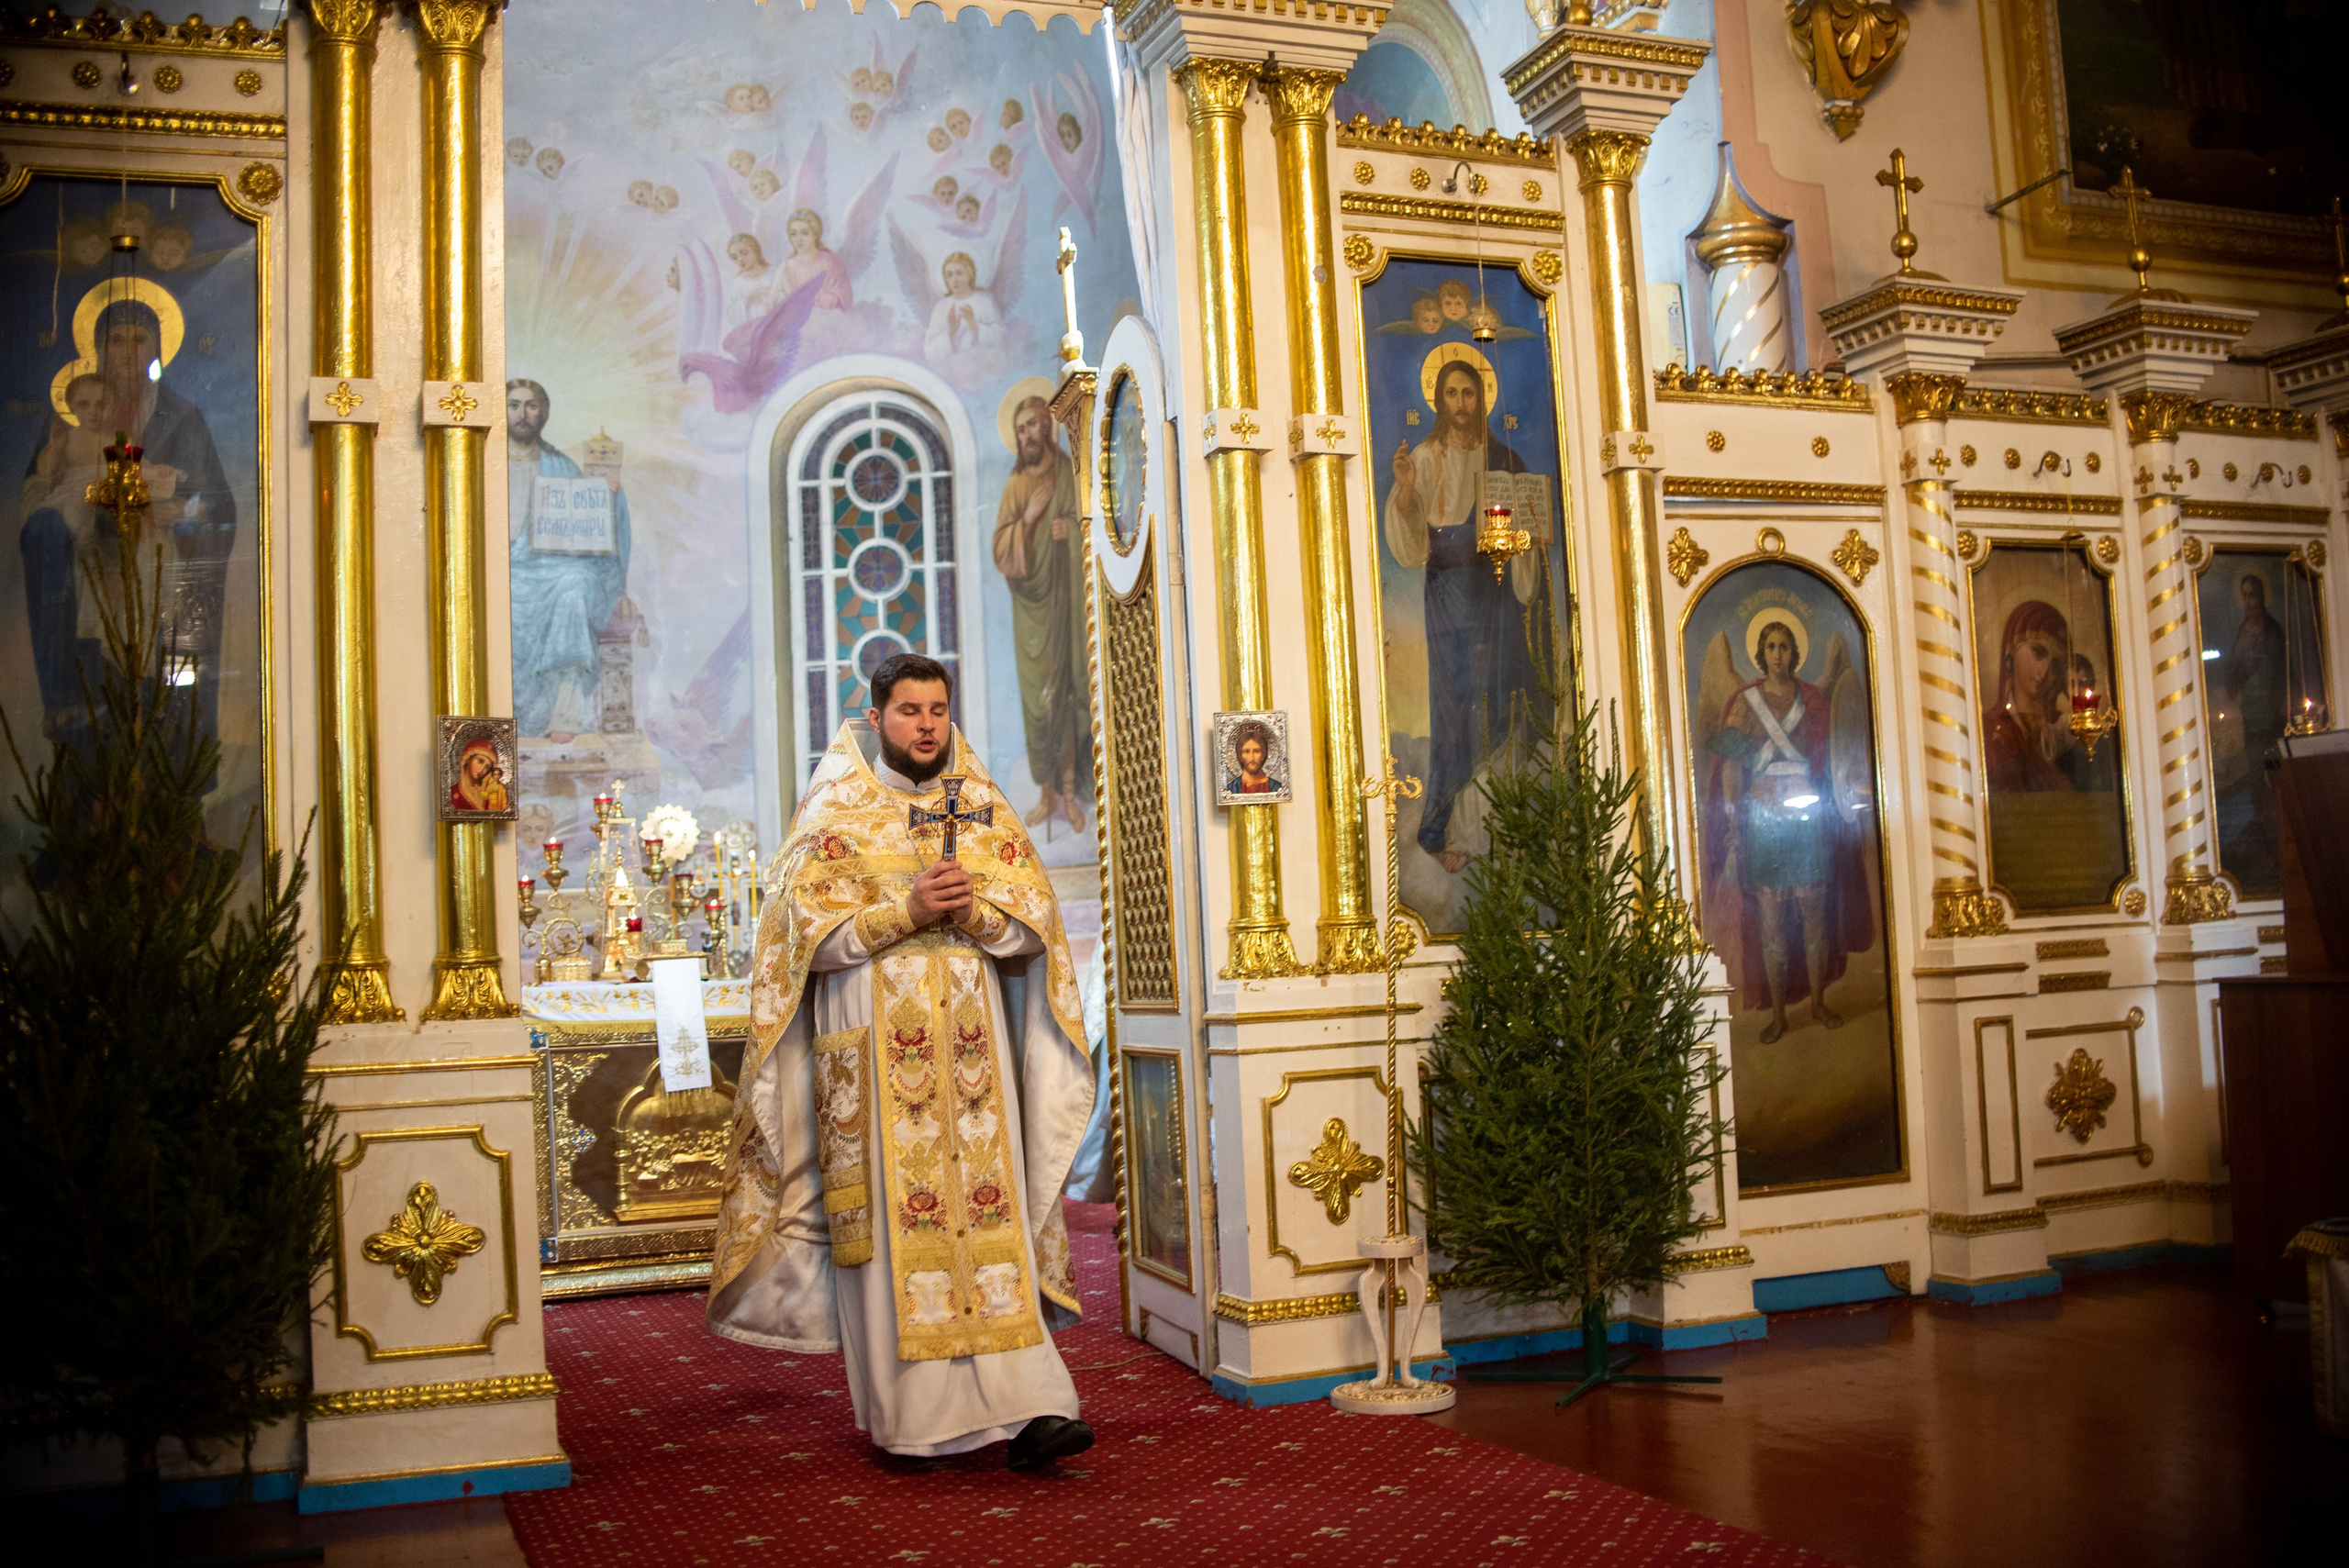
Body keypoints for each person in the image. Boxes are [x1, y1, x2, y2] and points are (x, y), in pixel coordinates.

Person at [708, 654, 1097, 1471]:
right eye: (910, 709)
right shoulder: (833, 810)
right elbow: (795, 949)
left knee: (987, 1219)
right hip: (874, 1056)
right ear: (877, 714)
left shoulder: (981, 804)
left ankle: (1035, 1405)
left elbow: (1035, 932)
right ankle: (917, 1420)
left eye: (938, 709)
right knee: (895, 1228)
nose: (926, 724)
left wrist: (980, 915)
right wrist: (905, 910)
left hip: (974, 1062)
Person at [20, 297, 235, 752]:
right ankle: (69, 702)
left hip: (158, 568)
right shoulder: (67, 421)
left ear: (159, 347)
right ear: (97, 347)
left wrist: (177, 510)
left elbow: (215, 504)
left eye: (140, 338)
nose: (127, 350)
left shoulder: (183, 419)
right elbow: (37, 492)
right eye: (115, 339)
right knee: (45, 531)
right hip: (86, 578)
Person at [1384, 357, 1547, 865]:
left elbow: (1525, 535)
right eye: (1452, 394)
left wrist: (1527, 540)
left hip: (1493, 594)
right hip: (1448, 596)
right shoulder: (1426, 457)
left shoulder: (1506, 461)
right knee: (1454, 702)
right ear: (1439, 400)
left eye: (1470, 394)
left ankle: (1501, 828)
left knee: (1496, 695)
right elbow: (1412, 546)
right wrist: (1407, 490)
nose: (1461, 404)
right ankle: (1443, 830)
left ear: (1482, 401)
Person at [1700, 618, 1871, 1045]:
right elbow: (1732, 766)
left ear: (1795, 652)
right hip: (1762, 820)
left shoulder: (1812, 700)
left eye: (1785, 646)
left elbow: (1836, 758)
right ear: (1762, 654)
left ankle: (1817, 1002)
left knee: (1814, 916)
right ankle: (1778, 1014)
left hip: (1806, 818)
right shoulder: (1745, 702)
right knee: (1773, 921)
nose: (1779, 654)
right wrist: (1734, 822)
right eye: (1771, 647)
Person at [507, 379, 632, 740]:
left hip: (555, 567)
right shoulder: (483, 464)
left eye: (531, 406)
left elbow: (590, 529)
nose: (523, 414)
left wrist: (610, 495)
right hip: (503, 569)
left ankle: (564, 712)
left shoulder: (561, 466)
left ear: (543, 413)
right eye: (514, 405)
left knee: (575, 584)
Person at [990, 396, 1085, 832]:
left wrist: (1073, 528)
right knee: (1037, 704)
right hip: (1030, 610)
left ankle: (1069, 791)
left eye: (1033, 425)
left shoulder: (1067, 471)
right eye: (1021, 428)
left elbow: (1096, 527)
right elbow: (1001, 551)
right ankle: (1046, 795)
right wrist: (1027, 521)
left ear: (1047, 425)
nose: (1028, 434)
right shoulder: (1015, 487)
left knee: (1065, 696)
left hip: (1065, 606)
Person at [1982, 600, 2080, 794]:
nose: (2043, 673)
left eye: (2054, 665)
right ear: (2012, 651)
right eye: (2038, 653)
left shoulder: (2061, 731)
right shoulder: (1993, 729)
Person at [449, 737, 509, 814]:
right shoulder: (452, 793)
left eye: (487, 767)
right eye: (480, 761)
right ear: (467, 759)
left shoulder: (489, 794)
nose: (482, 770)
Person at [1224, 720, 1282, 796]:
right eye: (1246, 751)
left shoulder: (1276, 788)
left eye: (1256, 751)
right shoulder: (1231, 789)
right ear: (1240, 755)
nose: (1252, 758)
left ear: (1263, 754)